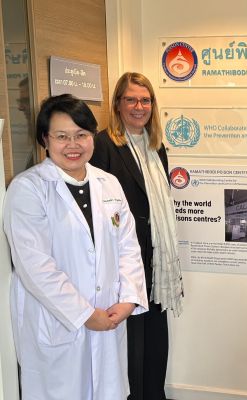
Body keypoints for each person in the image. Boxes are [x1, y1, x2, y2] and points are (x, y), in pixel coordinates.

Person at [4, 94, 148, 399]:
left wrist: (128, 299)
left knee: (107, 390)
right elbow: (35, 267)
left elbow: (128, 247)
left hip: (109, 315)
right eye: (62, 136)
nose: (73, 145)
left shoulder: (108, 183)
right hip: (58, 323)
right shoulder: (28, 188)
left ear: (92, 137)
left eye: (81, 135)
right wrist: (84, 314)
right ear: (45, 139)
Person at [90, 72, 183, 400]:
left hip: (157, 260)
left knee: (156, 341)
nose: (139, 106)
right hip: (126, 260)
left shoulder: (157, 147)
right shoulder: (103, 145)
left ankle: (155, 395)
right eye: (131, 99)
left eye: (145, 100)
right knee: (131, 345)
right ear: (118, 104)